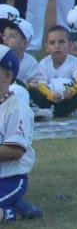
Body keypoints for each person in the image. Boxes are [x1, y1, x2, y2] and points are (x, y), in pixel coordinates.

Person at [0, 49, 43, 220]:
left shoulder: (17, 108)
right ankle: (16, 204)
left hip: (9, 179)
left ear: (8, 75)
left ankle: (11, 211)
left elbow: (15, 151)